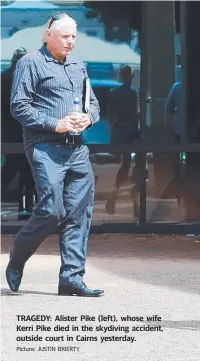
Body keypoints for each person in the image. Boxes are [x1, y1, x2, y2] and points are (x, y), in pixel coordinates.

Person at [5, 12, 104, 297]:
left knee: (79, 213)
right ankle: (17, 256)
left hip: (77, 149)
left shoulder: (77, 65)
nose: (70, 41)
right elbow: (19, 106)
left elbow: (93, 104)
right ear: (48, 35)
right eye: (65, 36)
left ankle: (71, 279)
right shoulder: (31, 63)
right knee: (51, 210)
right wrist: (56, 124)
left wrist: (89, 118)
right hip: (45, 147)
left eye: (74, 36)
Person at [1, 47, 36, 220]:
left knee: (9, 168)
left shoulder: (3, 77)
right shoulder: (28, 78)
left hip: (7, 132)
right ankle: (25, 207)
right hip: (25, 130)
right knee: (26, 170)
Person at [106, 64, 140, 217]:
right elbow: (135, 114)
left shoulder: (114, 93)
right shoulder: (133, 93)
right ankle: (133, 200)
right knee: (130, 167)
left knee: (126, 166)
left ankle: (120, 193)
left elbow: (110, 117)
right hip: (128, 136)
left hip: (120, 135)